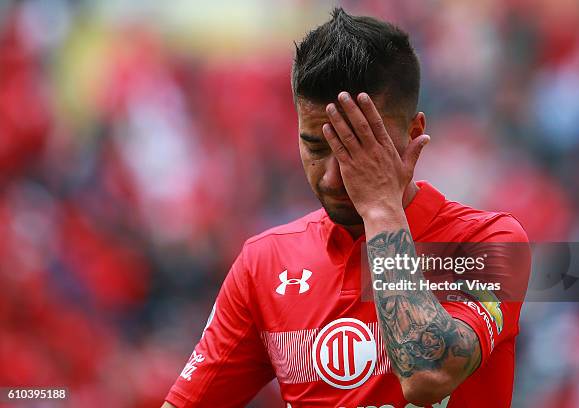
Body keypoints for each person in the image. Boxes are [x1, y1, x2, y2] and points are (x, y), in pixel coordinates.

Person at [162, 8, 529, 408]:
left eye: (360, 148)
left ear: (413, 135)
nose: (334, 178)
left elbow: (428, 374)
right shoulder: (264, 264)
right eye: (317, 148)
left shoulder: (489, 243)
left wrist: (380, 208)